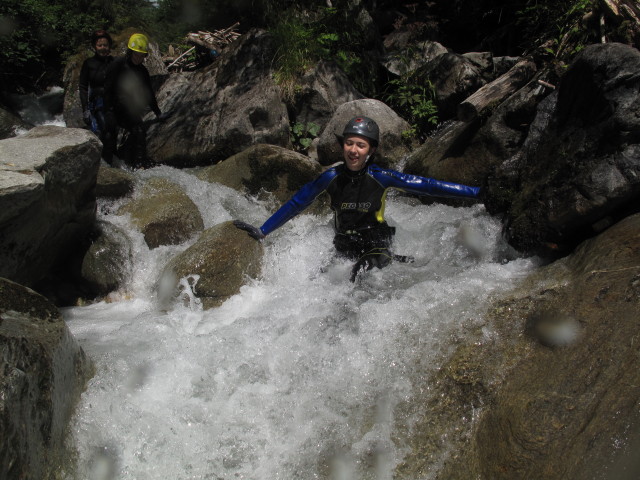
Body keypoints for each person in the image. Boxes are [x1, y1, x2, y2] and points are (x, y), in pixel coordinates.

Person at [234, 116, 481, 282]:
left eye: (360, 145)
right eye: (349, 143)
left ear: (371, 150)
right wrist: (263, 230)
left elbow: (428, 186)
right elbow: (297, 203)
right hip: (344, 244)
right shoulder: (329, 177)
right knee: (318, 280)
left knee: (359, 272)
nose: (353, 150)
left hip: (377, 243)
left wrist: (475, 193)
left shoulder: (381, 177)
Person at [103, 33, 167, 168]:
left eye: (141, 55)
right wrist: (108, 110)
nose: (138, 58)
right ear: (130, 52)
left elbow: (148, 93)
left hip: (127, 110)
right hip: (112, 108)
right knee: (109, 134)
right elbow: (107, 88)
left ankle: (138, 164)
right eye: (136, 54)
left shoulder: (142, 71)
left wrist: (158, 113)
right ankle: (108, 166)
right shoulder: (117, 64)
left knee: (139, 131)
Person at [78, 29, 114, 155]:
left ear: (109, 46)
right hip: (97, 103)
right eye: (100, 45)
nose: (103, 48)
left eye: (105, 45)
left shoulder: (113, 62)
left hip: (112, 103)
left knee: (111, 133)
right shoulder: (89, 64)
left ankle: (111, 163)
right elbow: (83, 87)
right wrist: (85, 109)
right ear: (94, 47)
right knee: (102, 130)